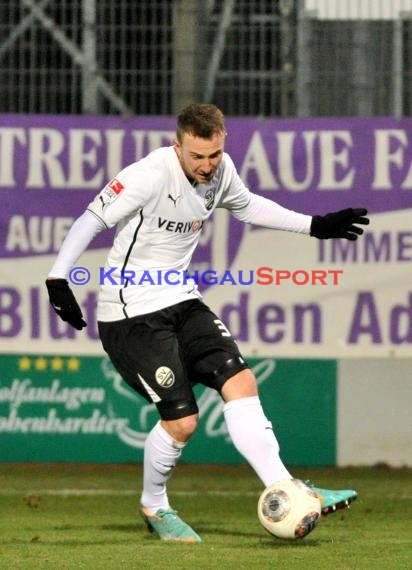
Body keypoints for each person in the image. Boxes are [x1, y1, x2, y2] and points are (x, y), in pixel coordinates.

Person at [46, 103, 369, 543]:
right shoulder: (148, 173)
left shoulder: (222, 170)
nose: (207, 165)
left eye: (214, 154)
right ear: (178, 146)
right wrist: (57, 277)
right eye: (197, 156)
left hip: (182, 299)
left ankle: (287, 486)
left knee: (240, 382)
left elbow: (249, 206)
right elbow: (92, 219)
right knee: (182, 423)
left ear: (223, 143)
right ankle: (155, 506)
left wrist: (316, 226)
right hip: (131, 313)